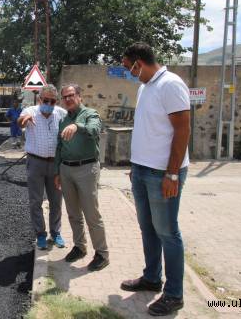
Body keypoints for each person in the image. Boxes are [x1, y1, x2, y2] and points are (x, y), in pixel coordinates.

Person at [120, 43, 190, 316]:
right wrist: (136, 164)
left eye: (128, 67)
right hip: (142, 170)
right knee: (148, 228)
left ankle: (174, 295)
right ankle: (151, 278)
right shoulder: (145, 87)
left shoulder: (171, 85)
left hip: (163, 174)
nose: (128, 72)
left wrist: (172, 173)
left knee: (168, 233)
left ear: (139, 62)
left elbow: (182, 130)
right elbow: (149, 129)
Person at [54, 84, 109, 271]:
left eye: (71, 95)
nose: (68, 99)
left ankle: (102, 253)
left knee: (91, 214)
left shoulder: (90, 114)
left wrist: (77, 126)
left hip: (87, 169)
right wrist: (57, 172)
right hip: (66, 170)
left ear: (79, 96)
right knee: (73, 213)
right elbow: (59, 147)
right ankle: (79, 247)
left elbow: (94, 130)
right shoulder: (63, 120)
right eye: (65, 97)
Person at [18, 85, 67, 250]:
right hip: (35, 163)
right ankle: (40, 234)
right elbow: (21, 120)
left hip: (55, 165)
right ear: (40, 99)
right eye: (45, 100)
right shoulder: (31, 111)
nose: (49, 104)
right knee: (35, 201)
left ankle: (56, 233)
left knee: (56, 201)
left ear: (56, 102)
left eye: (52, 101)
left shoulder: (61, 113)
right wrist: (23, 121)